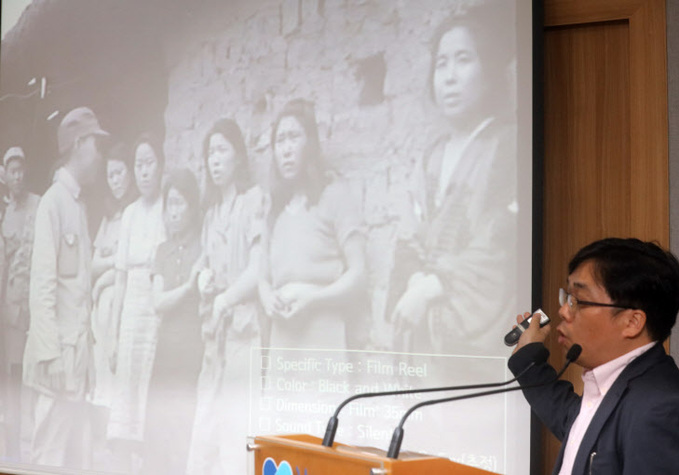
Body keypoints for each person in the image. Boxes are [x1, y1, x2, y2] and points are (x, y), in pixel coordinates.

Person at [389, 2, 517, 356]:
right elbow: (408, 231)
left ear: (489, 70)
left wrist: (436, 284)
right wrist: (414, 279)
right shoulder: (431, 156)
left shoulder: (508, 144)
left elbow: (501, 236)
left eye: (463, 59)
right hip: (425, 323)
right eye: (441, 64)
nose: (449, 76)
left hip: (477, 326)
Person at [509, 238, 679, 475]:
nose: (563, 311)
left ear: (632, 322)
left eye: (576, 301)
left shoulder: (661, 408)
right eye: (566, 297)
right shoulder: (618, 386)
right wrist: (527, 359)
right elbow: (575, 421)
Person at [23, 107, 109, 469]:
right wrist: (50, 354)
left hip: (76, 362)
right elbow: (42, 286)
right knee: (48, 460)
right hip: (58, 362)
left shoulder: (78, 205)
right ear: (78, 145)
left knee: (76, 460)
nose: (100, 155)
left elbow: (79, 287)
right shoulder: (52, 204)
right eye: (96, 144)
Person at [187, 118, 266, 475]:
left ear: (238, 156)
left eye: (222, 150)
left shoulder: (254, 201)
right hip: (213, 337)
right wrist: (201, 276)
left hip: (243, 334)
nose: (215, 160)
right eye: (210, 153)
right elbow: (203, 261)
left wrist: (226, 298)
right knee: (204, 428)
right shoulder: (210, 215)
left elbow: (258, 268)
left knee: (236, 430)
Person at [258, 99, 367, 350]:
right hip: (283, 341)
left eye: (294, 137)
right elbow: (262, 278)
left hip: (323, 338)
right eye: (279, 140)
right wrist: (267, 298)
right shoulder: (274, 213)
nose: (286, 149)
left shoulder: (334, 197)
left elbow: (359, 275)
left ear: (310, 143)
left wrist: (313, 298)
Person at [107, 134, 166, 470]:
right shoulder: (129, 214)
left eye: (149, 163)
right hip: (131, 311)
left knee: (149, 388)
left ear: (160, 165)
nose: (144, 172)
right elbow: (119, 277)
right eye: (138, 165)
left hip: (155, 312)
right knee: (126, 391)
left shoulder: (166, 208)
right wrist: (114, 333)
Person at [144, 169, 202, 474]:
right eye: (169, 204)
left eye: (180, 203)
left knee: (184, 429)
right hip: (165, 352)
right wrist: (187, 287)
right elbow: (158, 302)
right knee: (157, 430)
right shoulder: (162, 251)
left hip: (193, 352)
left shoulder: (202, 246)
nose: (174, 212)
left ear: (193, 206)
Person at [89, 142, 136, 463]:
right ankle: (102, 444)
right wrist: (108, 264)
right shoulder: (109, 219)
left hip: (122, 305)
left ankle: (123, 446)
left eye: (120, 173)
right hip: (100, 314)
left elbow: (128, 264)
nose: (115, 180)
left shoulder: (136, 213)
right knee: (102, 378)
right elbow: (92, 264)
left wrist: (107, 270)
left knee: (122, 376)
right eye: (110, 175)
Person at [1, 146, 40, 461]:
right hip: (12, 313)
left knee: (37, 378)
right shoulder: (4, 216)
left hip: (37, 306)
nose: (17, 176)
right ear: (5, 176)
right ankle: (12, 451)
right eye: (11, 171)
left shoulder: (40, 206)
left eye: (21, 169)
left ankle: (37, 447)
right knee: (13, 379)